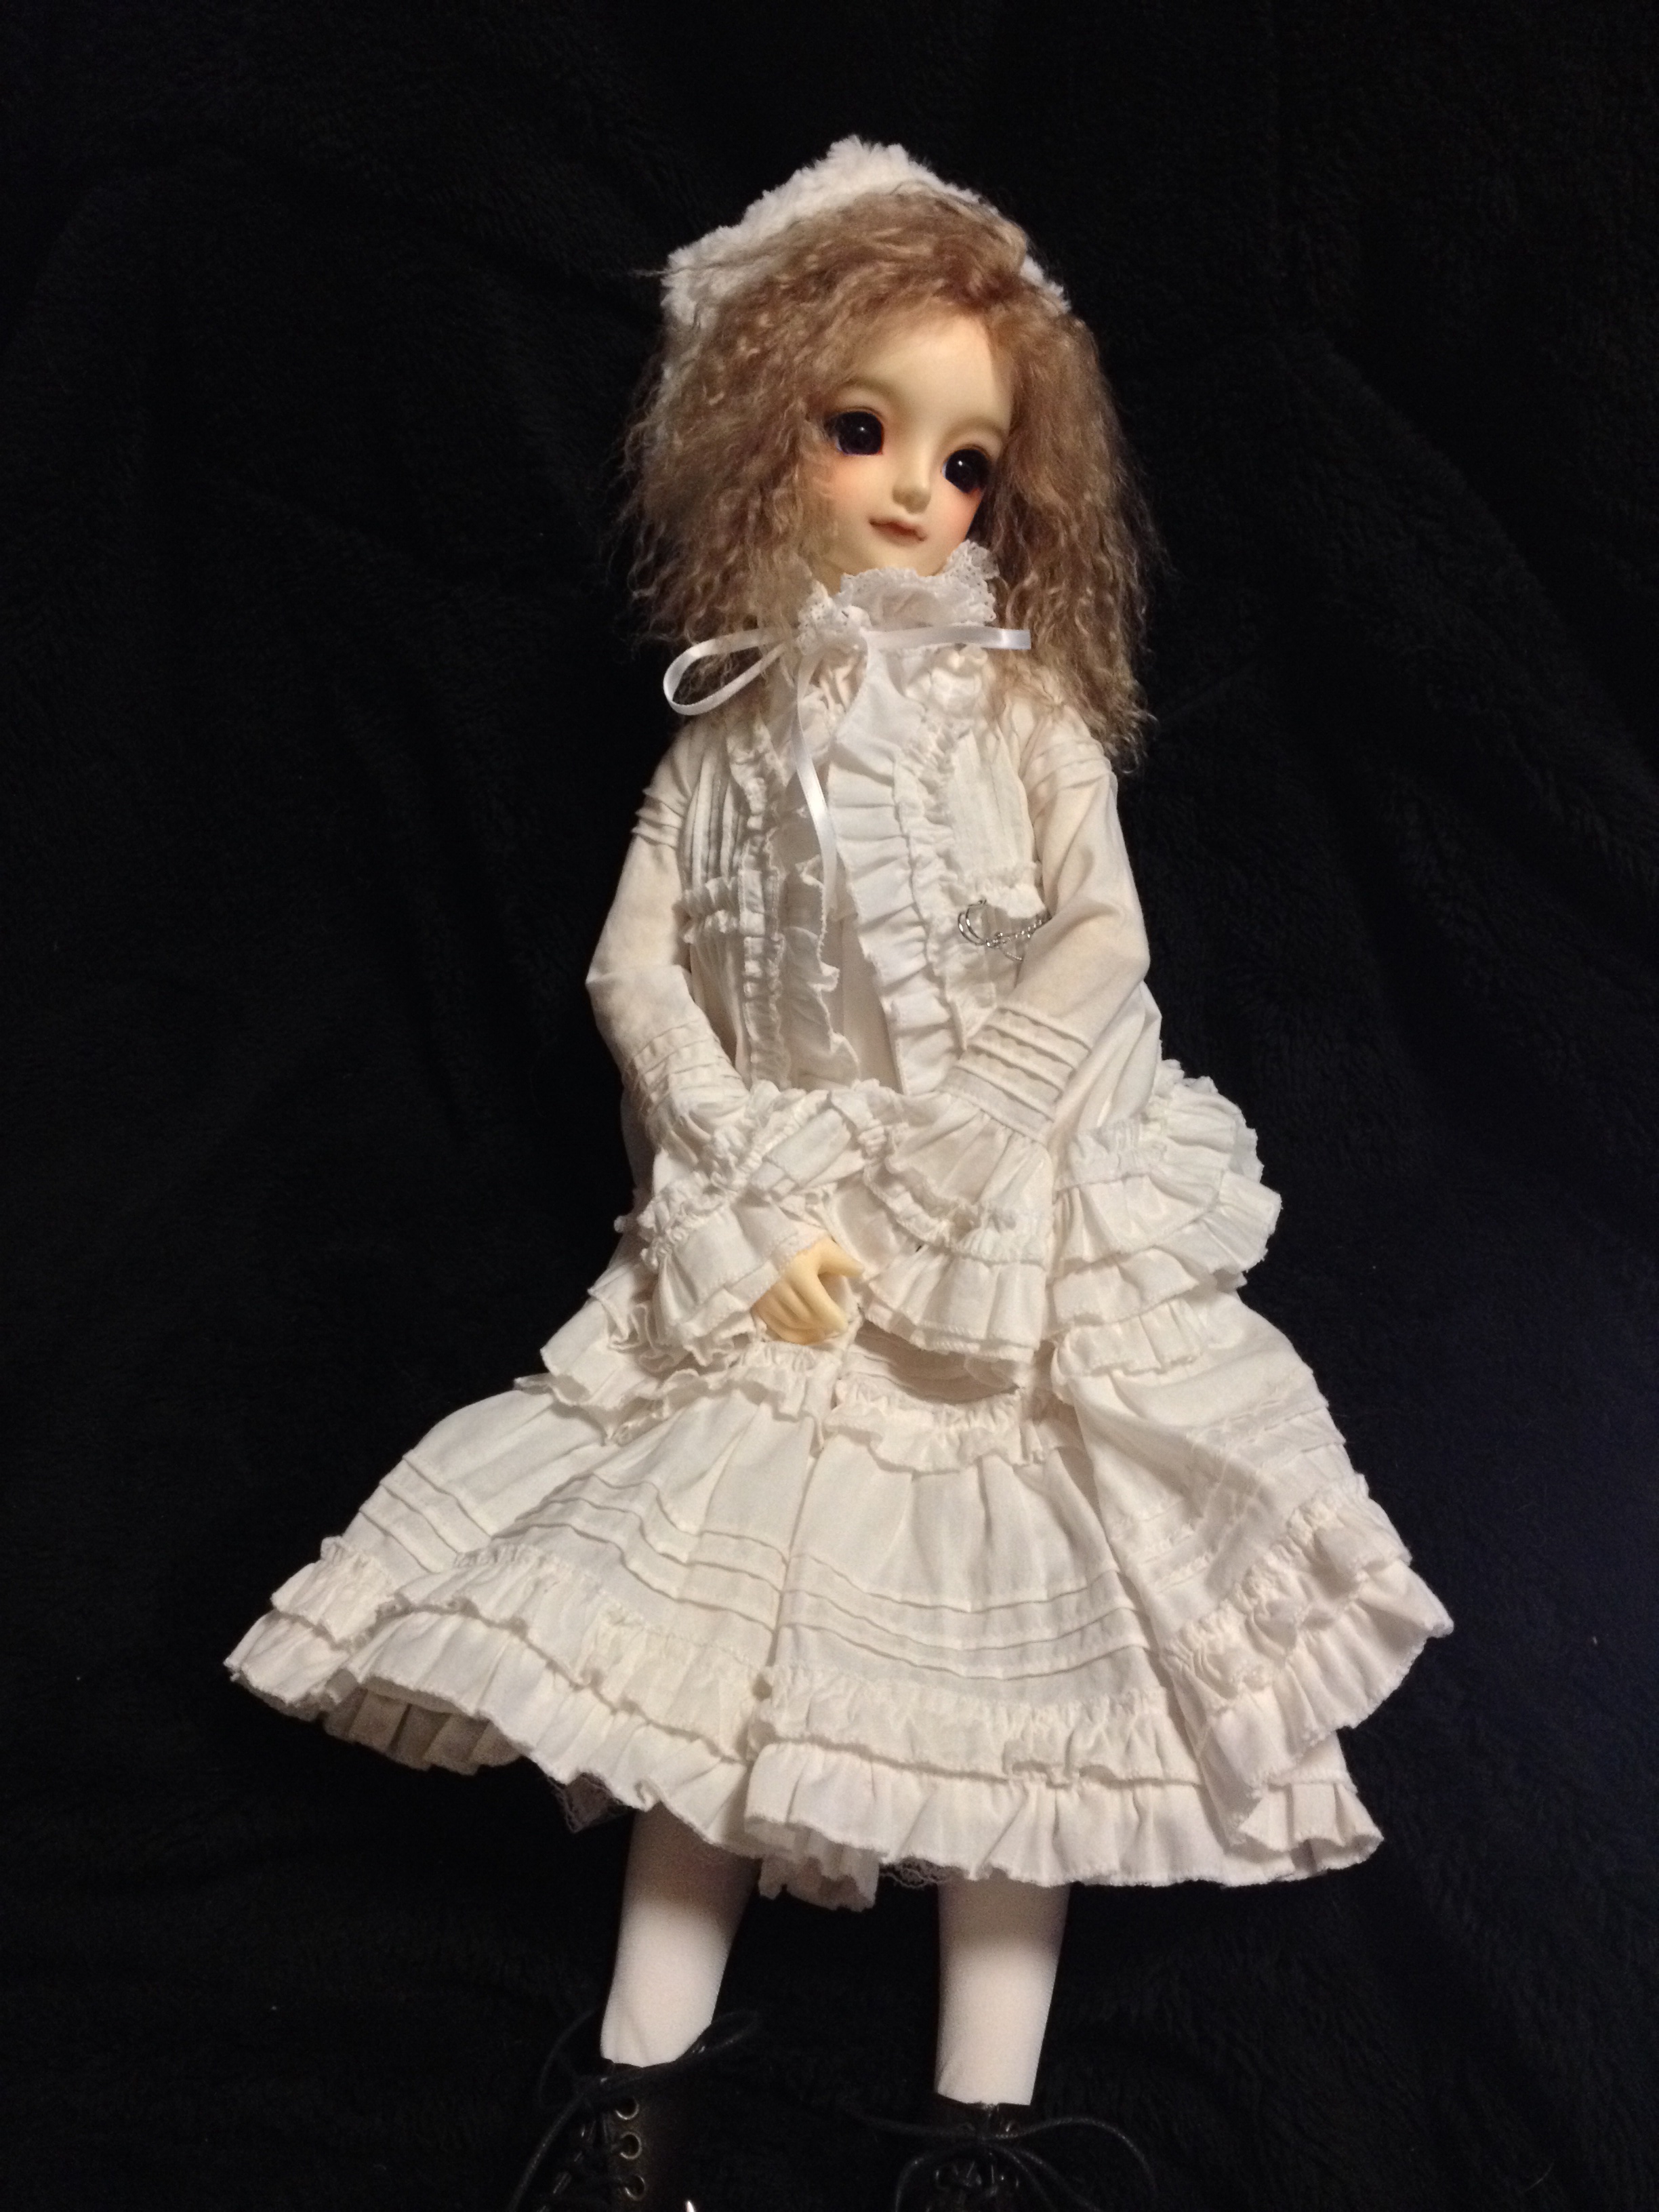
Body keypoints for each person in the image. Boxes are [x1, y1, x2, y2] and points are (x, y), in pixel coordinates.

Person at [229, 139, 1451, 2211]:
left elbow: (1103, 940)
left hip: (1014, 1235)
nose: (912, 492)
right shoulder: (726, 731)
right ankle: (640, 2090)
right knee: (720, 1659)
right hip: (784, 1233)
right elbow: (632, 972)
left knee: (1033, 1661)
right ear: (752, 436)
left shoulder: (1021, 714)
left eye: (965, 462)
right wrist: (737, 1174)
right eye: (860, 430)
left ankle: (981, 2133)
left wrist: (959, 1147)